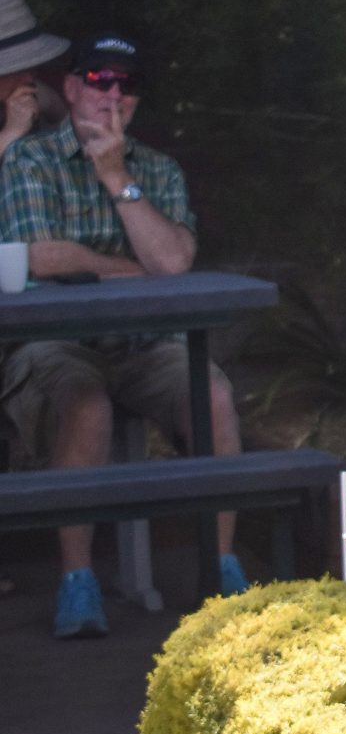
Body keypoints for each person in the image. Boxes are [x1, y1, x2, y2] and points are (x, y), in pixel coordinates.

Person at [0, 33, 249, 638]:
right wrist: (120, 267)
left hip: (143, 344)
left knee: (212, 396)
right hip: (57, 343)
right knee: (84, 407)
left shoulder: (157, 170)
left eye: (126, 84)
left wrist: (116, 177)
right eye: (99, 79)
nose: (113, 93)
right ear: (72, 87)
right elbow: (38, 256)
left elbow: (174, 261)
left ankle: (220, 570)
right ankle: (77, 581)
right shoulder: (28, 159)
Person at [0, 0, 66, 159]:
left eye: (31, 67)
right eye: (17, 70)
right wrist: (11, 132)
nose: (29, 78)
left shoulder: (33, 93)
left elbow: (61, 115)